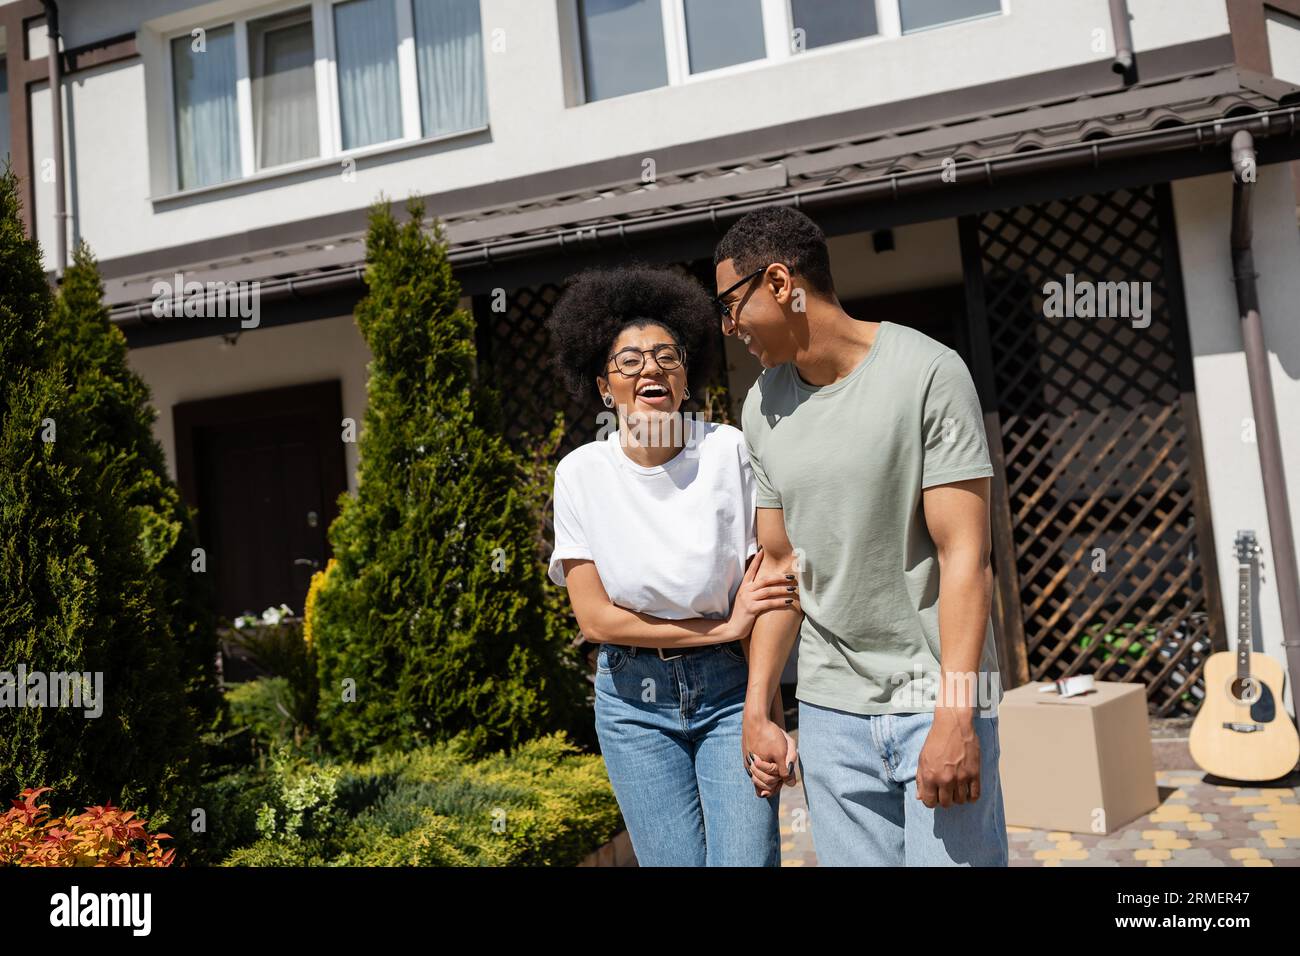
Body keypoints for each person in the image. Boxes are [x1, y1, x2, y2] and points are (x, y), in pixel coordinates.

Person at [715, 205, 1009, 866]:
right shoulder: (762, 406)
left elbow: (964, 555)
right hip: (830, 716)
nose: (728, 326)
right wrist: (760, 708)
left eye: (731, 304)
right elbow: (779, 568)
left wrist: (957, 715)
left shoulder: (928, 374)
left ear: (782, 284)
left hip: (934, 701)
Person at [546, 265, 799, 866]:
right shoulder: (580, 473)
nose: (650, 369)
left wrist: (766, 709)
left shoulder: (730, 452)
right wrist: (720, 627)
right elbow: (597, 619)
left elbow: (771, 586)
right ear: (605, 387)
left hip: (729, 690)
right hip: (631, 704)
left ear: (686, 375)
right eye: (628, 361)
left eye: (666, 355)